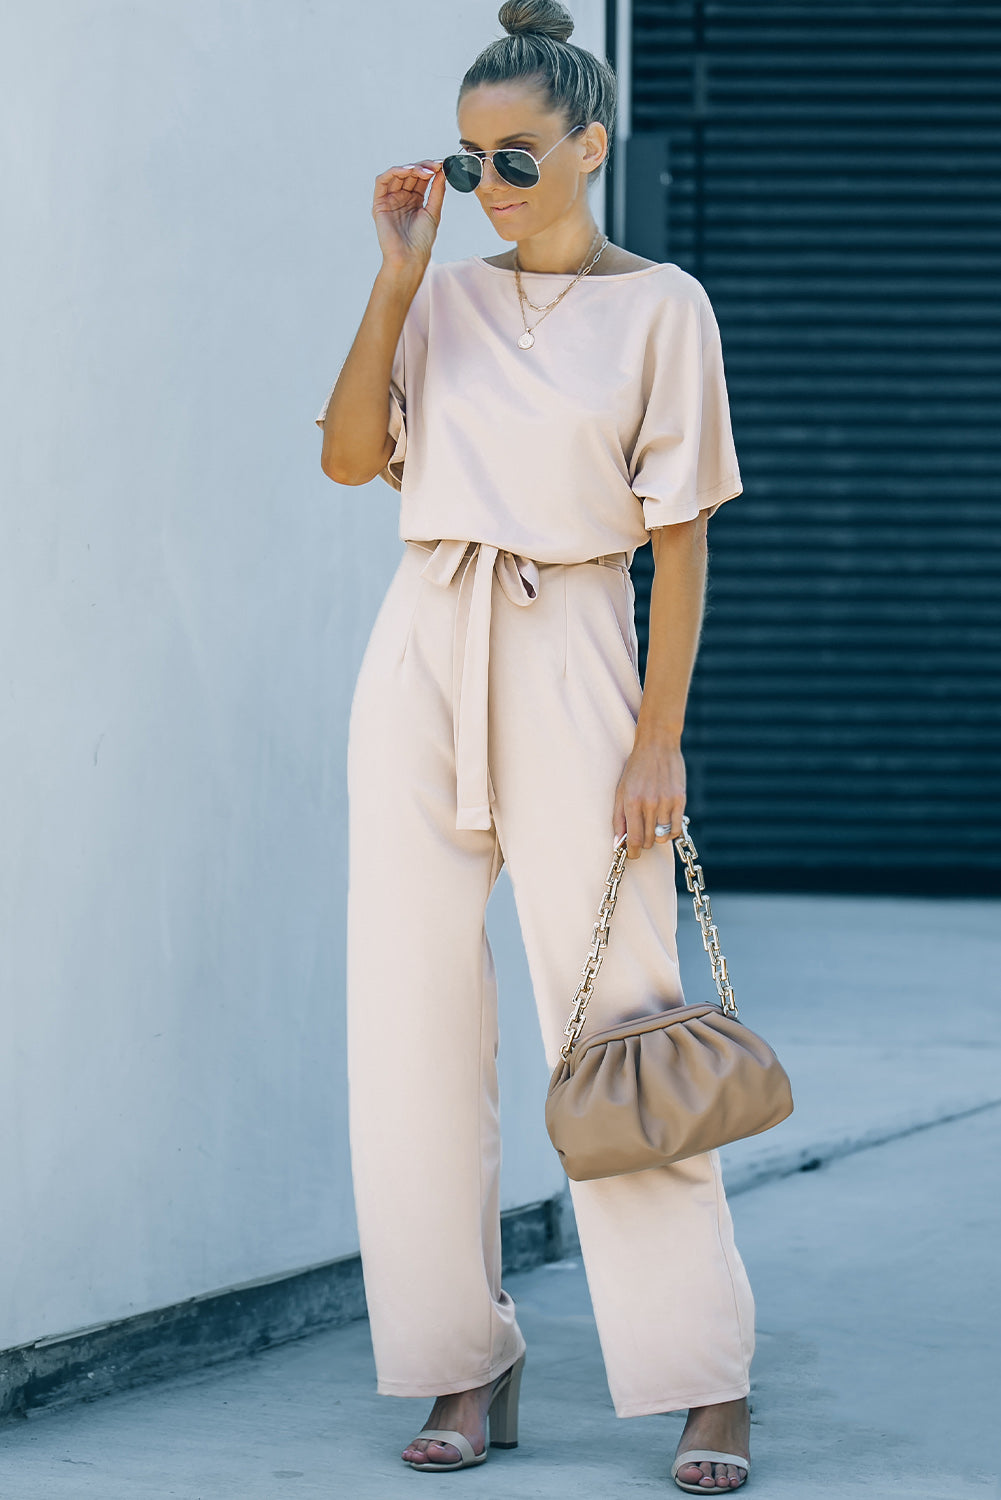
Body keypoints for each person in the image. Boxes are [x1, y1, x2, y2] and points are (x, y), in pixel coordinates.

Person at [314, 1, 753, 1491]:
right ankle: (460, 1359)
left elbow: (678, 545)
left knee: (621, 1020)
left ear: (587, 144)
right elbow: (350, 457)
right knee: (408, 1026)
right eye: (467, 158)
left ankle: (702, 1379)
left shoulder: (662, 308)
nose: (490, 184)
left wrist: (659, 738)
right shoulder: (439, 295)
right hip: (422, 642)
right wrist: (397, 278)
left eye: (516, 157)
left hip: (573, 644)